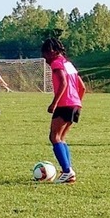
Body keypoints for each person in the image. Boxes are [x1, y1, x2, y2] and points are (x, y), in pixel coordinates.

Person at [42, 38, 86, 184]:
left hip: (64, 103)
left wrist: (54, 103)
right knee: (61, 138)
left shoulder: (57, 63)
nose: (45, 58)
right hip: (75, 103)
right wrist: (77, 102)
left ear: (52, 51)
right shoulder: (69, 64)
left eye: (45, 54)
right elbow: (82, 87)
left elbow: (63, 82)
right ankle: (68, 172)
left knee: (54, 137)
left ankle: (67, 171)